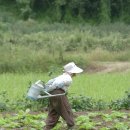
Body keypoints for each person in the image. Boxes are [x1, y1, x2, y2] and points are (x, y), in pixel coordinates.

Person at [44, 62, 83, 130]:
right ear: (71, 72)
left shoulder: (61, 76)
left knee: (54, 111)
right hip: (58, 94)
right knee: (66, 109)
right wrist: (50, 88)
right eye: (74, 72)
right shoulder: (68, 78)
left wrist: (48, 90)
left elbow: (50, 82)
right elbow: (56, 84)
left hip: (52, 94)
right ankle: (71, 126)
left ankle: (47, 127)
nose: (75, 74)